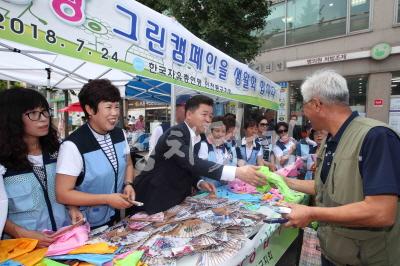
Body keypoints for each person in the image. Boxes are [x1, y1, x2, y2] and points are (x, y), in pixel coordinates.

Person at [281, 70, 400, 266]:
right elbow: (324, 187)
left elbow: (382, 212)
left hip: (368, 259)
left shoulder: (376, 137)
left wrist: (311, 213)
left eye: (304, 106)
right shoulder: (331, 139)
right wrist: (284, 181)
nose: (304, 113)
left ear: (317, 104)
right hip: (334, 254)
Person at [133, 95, 267, 214]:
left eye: (210, 115)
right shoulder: (174, 134)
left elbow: (188, 167)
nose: (208, 120)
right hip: (154, 196)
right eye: (204, 114)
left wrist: (199, 182)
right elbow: (191, 162)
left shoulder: (199, 137)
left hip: (177, 199)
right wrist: (237, 172)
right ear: (189, 114)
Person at [0, 88, 81, 246]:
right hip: (22, 248)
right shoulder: (3, 162)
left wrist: (72, 207)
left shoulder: (57, 151)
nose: (43, 119)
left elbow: (66, 189)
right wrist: (20, 233)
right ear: (12, 119)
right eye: (33, 113)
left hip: (63, 240)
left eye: (44, 112)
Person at [56, 79, 136, 228]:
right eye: (108, 107)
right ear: (90, 110)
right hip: (86, 224)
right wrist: (107, 199)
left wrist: (128, 184)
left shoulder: (120, 134)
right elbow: (62, 193)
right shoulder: (73, 146)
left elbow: (129, 164)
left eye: (117, 107)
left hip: (115, 217)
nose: (114, 113)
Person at [198, 116, 238, 187]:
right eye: (217, 131)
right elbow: (203, 168)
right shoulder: (204, 145)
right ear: (211, 131)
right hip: (208, 189)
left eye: (223, 131)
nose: (220, 134)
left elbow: (228, 165)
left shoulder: (224, 148)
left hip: (222, 189)